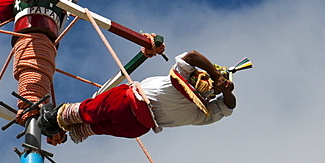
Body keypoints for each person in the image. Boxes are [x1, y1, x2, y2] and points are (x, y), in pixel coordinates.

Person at [38, 50, 237, 143]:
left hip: (128, 104)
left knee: (89, 111)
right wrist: (221, 81)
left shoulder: (186, 89)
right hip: (136, 127)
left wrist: (222, 84)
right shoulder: (198, 109)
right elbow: (227, 108)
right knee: (93, 125)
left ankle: (54, 121)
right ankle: (65, 130)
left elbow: (191, 57)